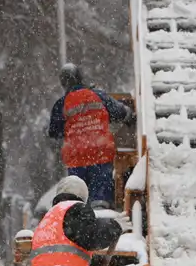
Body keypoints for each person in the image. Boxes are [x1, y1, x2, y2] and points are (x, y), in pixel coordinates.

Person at [47, 63, 135, 209]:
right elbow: (120, 112)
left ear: (63, 83)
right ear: (80, 78)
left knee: (78, 199)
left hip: (76, 158)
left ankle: (81, 217)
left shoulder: (61, 104)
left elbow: (54, 132)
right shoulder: (98, 95)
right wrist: (129, 115)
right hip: (100, 154)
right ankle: (101, 212)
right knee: (100, 200)